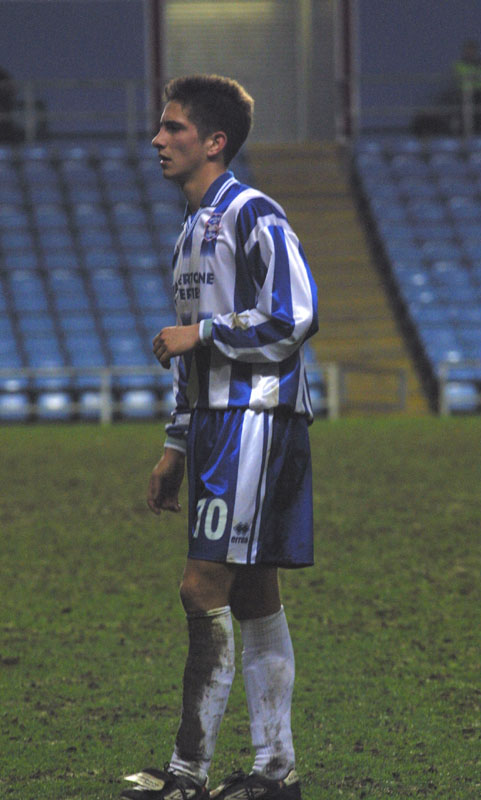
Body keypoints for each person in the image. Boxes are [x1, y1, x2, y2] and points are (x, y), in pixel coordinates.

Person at [120, 74, 318, 800]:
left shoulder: (252, 212)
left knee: (202, 585)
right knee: (254, 591)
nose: (157, 140)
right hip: (214, 424)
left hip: (255, 419)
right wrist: (176, 445)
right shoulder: (190, 233)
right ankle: (274, 774)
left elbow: (295, 315)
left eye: (172, 128)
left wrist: (200, 332)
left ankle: (185, 775)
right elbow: (189, 356)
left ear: (213, 142)